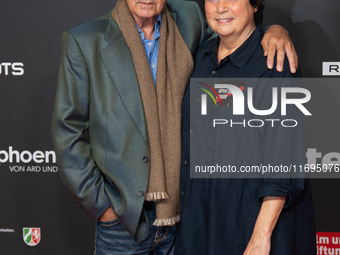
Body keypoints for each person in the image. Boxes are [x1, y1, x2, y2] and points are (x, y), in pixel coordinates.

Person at [51, 0, 299, 253]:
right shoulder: (85, 39)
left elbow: (236, 33)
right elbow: (68, 129)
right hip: (124, 221)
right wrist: (101, 206)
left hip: (182, 222)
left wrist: (275, 31)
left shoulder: (188, 18)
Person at [177, 0, 316, 254]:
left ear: (255, 4)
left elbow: (283, 163)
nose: (220, 7)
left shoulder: (275, 63)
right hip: (202, 225)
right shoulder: (201, 56)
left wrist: (260, 236)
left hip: (252, 227)